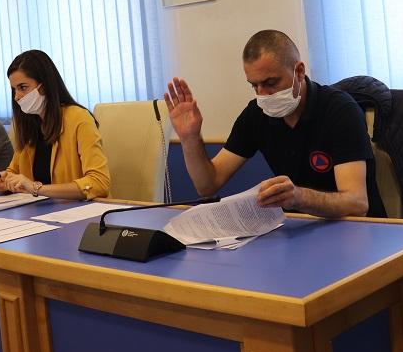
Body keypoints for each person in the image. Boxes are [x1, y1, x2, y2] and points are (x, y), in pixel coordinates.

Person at [164, 29, 386, 219]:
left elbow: (357, 204)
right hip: (299, 231)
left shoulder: (339, 110)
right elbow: (207, 185)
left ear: (299, 71)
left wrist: (299, 197)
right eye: (254, 85)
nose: (263, 94)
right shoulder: (256, 114)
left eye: (271, 82)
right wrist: (190, 138)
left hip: (358, 230)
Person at [0, 50, 110, 200]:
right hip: (40, 209)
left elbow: (99, 182)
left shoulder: (79, 118)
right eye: (14, 89)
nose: (16, 96)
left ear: (44, 85)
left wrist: (36, 188)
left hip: (77, 208)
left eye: (23, 87)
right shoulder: (29, 123)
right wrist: (4, 179)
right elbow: (14, 171)